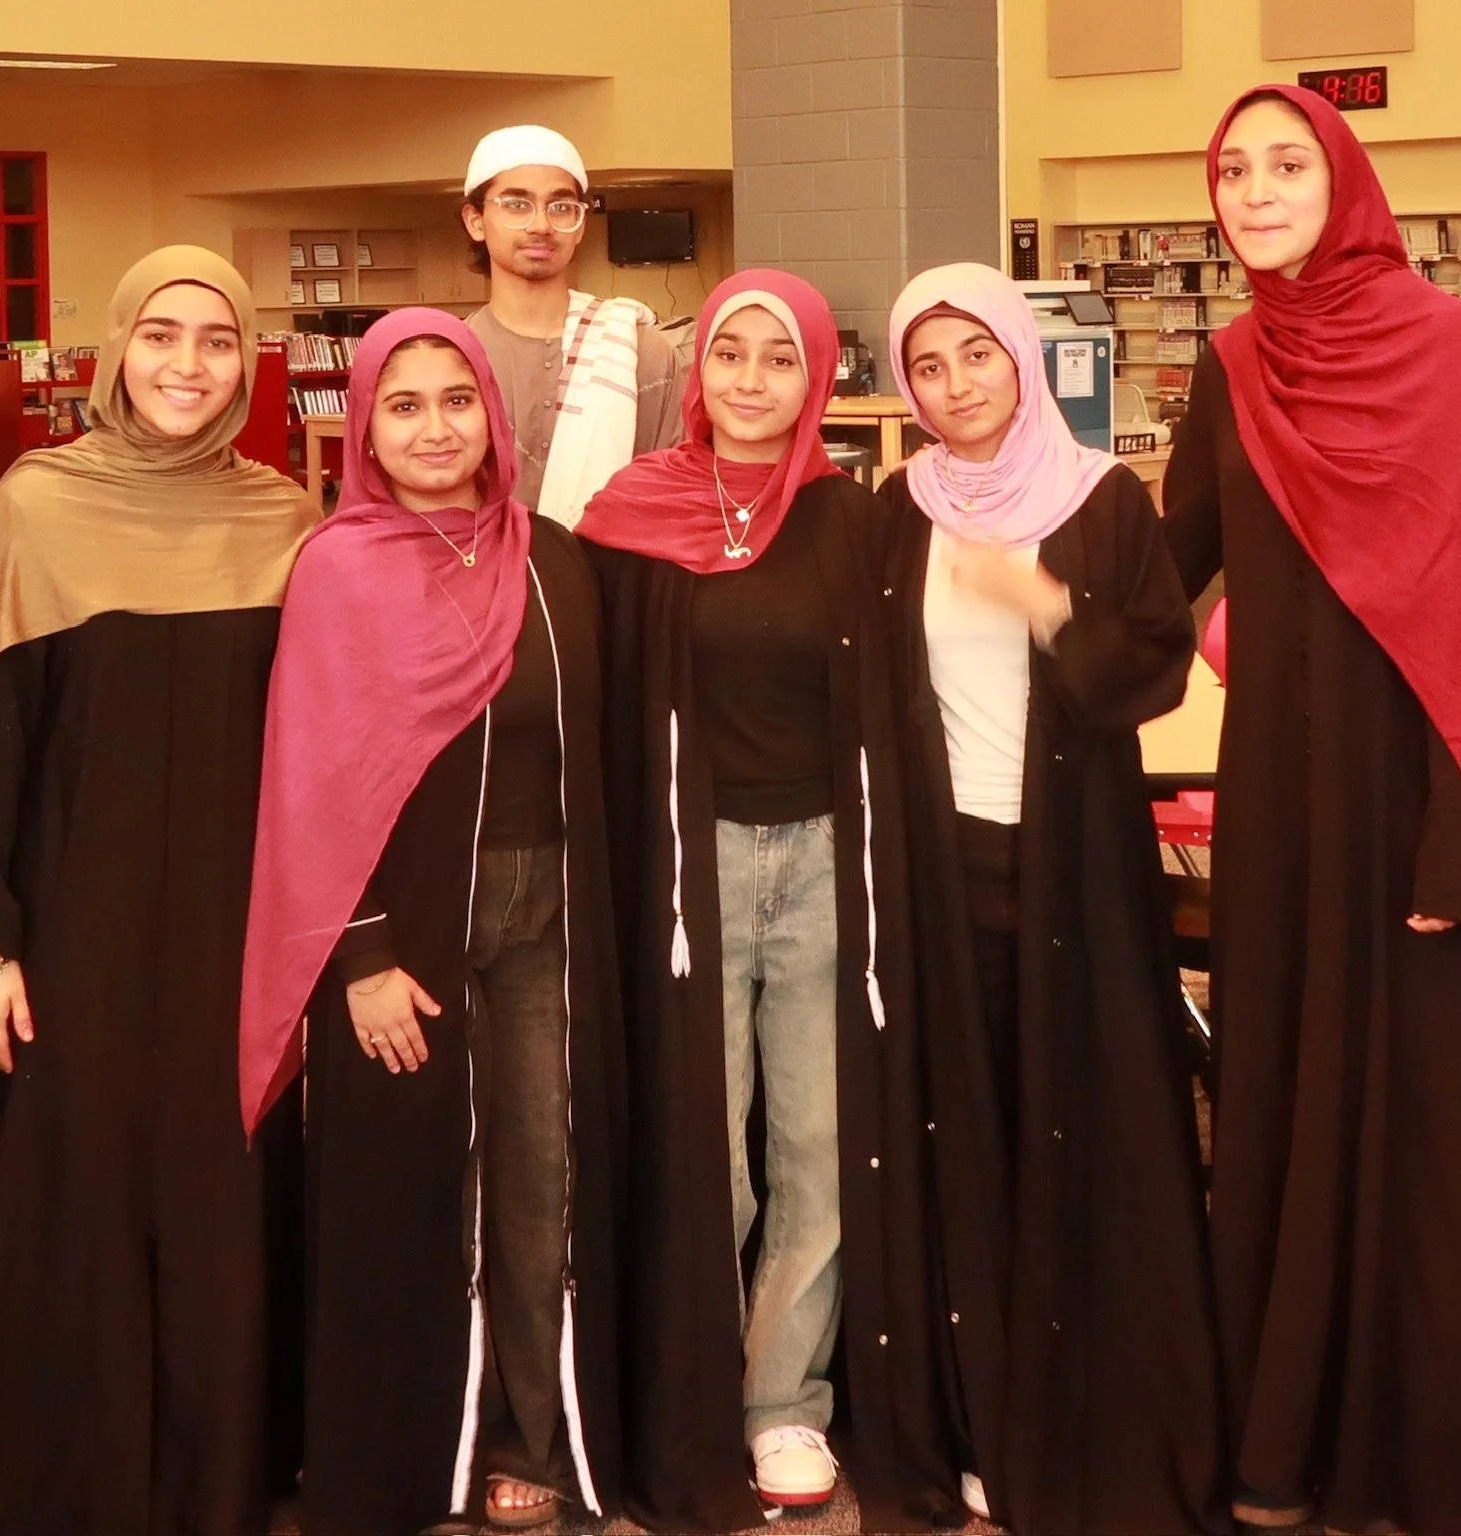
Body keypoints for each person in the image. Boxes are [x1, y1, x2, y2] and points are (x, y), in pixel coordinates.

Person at [1163, 85, 1461, 1536]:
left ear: (1342, 179)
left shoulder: (1440, 346)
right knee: (1277, 1108)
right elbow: (1162, 568)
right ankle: (1287, 1449)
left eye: (1284, 164)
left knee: (1428, 1141)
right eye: (1231, 170)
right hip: (1280, 812)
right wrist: (985, 549)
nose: (1255, 189)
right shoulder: (1234, 363)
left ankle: (1430, 1471)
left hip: (1421, 806)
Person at [0, 246, 319, 1534]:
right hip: (74, 926)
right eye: (160, 335)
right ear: (115, 348)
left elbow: (317, 751)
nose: (187, 365)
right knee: (80, 1191)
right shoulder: (37, 506)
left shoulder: (282, 516)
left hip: (237, 924)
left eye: (218, 340)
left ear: (247, 362)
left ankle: (220, 1486)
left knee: (224, 1186)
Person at [239, 307, 623, 1535]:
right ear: (362, 425)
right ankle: (418, 1451)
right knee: (413, 1190)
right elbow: (311, 772)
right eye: (400, 405)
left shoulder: (555, 558)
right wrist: (360, 953)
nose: (434, 428)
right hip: (404, 941)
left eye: (456, 400)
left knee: (535, 1183)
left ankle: (526, 1433)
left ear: (495, 417)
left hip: (548, 926)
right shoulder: (336, 567)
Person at [877, 261, 1228, 1534]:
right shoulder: (896, 508)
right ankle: (978, 1417)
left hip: (1074, 867)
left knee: (1089, 1124)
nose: (957, 384)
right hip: (939, 865)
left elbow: (1154, 672)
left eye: (978, 354)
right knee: (966, 1129)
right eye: (929, 364)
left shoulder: (1100, 498)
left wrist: (1037, 600)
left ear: (1021, 356)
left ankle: (1096, 1417)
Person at [579, 270, 909, 1530]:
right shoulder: (629, 511)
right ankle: (689, 1392)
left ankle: (786, 1404)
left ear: (817, 372)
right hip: (690, 869)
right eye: (731, 354)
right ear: (698, 371)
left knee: (817, 1153)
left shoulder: (852, 519)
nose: (754, 380)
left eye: (782, 357)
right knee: (704, 1153)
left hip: (828, 863)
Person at [461, 124, 684, 524]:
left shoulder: (641, 353)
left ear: (580, 226)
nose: (541, 225)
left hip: (615, 578)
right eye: (516, 204)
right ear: (475, 221)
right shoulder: (453, 356)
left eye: (561, 207)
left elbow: (669, 499)